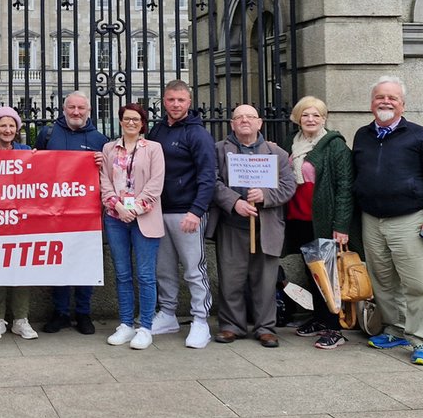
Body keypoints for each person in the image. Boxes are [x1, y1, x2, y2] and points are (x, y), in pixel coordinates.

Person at [353, 76, 423, 366]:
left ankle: (422, 340)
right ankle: (394, 329)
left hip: (411, 220)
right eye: (380, 97)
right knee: (383, 280)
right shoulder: (362, 135)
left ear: (403, 105)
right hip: (372, 220)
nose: (385, 102)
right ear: (372, 104)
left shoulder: (419, 136)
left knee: (417, 282)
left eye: (392, 98)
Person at [207, 104, 296, 348]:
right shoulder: (218, 151)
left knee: (265, 280)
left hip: (265, 226)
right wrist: (234, 202)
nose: (244, 121)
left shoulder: (276, 153)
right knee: (231, 278)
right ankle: (230, 325)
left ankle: (265, 327)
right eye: (239, 117)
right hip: (232, 225)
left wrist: (265, 196)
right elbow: (212, 182)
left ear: (260, 123)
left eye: (250, 117)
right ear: (232, 124)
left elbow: (288, 187)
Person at [146, 79, 216, 349]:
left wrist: (196, 211)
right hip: (158, 211)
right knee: (163, 269)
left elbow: (208, 176)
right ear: (164, 101)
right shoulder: (157, 130)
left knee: (194, 270)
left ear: (189, 102)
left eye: (181, 100)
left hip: (187, 213)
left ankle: (200, 320)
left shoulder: (198, 134)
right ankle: (167, 313)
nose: (175, 104)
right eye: (171, 100)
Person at [34, 91, 108, 335]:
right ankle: (61, 312)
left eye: (81, 108)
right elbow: (34, 166)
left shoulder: (100, 140)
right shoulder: (48, 134)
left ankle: (84, 313)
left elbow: (110, 175)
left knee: (86, 262)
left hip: (87, 213)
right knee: (58, 262)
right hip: (54, 211)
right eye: (72, 107)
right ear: (63, 109)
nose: (76, 112)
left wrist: (103, 162)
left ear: (88, 111)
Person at [284, 96, 353, 350]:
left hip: (323, 220)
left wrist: (342, 225)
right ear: (298, 118)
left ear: (324, 118)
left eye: (316, 115)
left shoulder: (335, 146)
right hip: (299, 216)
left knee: (329, 275)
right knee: (311, 273)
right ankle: (320, 319)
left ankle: (335, 327)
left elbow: (345, 188)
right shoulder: (294, 144)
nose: (311, 120)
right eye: (306, 115)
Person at [100, 102, 166, 350]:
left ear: (142, 123)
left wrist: (134, 208)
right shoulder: (109, 148)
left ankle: (145, 327)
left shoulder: (154, 149)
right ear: (120, 121)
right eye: (126, 119)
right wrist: (118, 207)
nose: (130, 123)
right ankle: (126, 323)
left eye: (135, 120)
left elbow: (156, 183)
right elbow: (104, 180)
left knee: (146, 275)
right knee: (122, 274)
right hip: (115, 218)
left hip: (144, 218)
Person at [0, 106, 38, 341]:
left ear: (17, 129)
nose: (7, 130)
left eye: (12, 126)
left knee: (22, 269)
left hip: (22, 218)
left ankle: (20, 319)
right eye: (3, 125)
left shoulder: (26, 150)